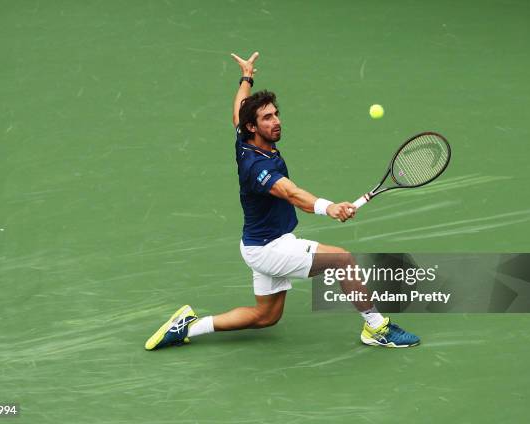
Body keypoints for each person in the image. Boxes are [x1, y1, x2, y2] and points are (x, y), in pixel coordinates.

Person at [145, 52, 419, 350]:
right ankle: (376, 327)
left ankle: (189, 327)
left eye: (276, 114)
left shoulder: (243, 135)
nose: (276, 121)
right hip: (270, 248)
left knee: (265, 317)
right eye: (267, 118)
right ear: (253, 127)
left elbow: (238, 108)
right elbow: (292, 193)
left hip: (255, 244)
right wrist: (329, 207)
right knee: (342, 260)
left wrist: (246, 77)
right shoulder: (258, 168)